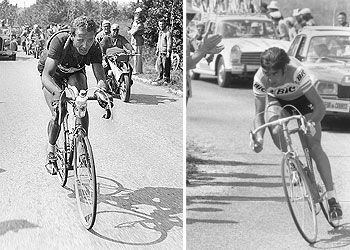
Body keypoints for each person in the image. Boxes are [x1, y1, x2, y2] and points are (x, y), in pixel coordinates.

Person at [250, 47, 343, 220]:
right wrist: (259, 138)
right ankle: (295, 165)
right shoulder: (260, 79)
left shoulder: (297, 73)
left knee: (314, 146)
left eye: (275, 74)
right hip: (277, 101)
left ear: (284, 69)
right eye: (266, 73)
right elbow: (258, 114)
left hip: (304, 101)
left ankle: (332, 199)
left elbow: (320, 107)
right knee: (276, 127)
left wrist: (310, 123)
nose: (270, 78)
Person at [40, 16, 110, 175]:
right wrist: (59, 94)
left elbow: (101, 78)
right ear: (72, 36)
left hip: (75, 73)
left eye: (90, 39)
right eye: (80, 39)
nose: (85, 45)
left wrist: (102, 91)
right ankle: (51, 150)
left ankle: (82, 147)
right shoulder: (59, 41)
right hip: (53, 76)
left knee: (82, 102)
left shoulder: (94, 47)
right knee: (59, 112)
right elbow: (46, 75)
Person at [186, 0, 223, 104]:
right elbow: (188, 63)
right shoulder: (187, 36)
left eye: (191, 16)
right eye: (188, 16)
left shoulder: (188, 36)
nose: (189, 19)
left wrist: (206, 50)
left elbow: (196, 48)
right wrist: (203, 50)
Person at [154, 19, 172, 84]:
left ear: (165, 25)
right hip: (160, 52)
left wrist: (168, 52)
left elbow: (169, 43)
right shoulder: (160, 32)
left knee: (166, 66)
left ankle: (166, 79)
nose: (161, 25)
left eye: (163, 24)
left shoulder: (168, 33)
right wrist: (157, 49)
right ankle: (160, 77)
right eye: (160, 24)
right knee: (159, 65)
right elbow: (159, 42)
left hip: (165, 52)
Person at [128, 7, 145, 74]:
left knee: (137, 56)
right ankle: (137, 70)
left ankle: (137, 70)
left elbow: (133, 32)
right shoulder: (136, 23)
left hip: (138, 41)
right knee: (136, 56)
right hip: (135, 41)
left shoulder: (140, 25)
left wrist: (130, 31)